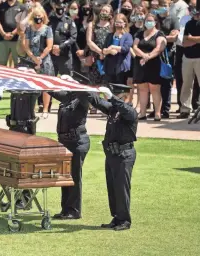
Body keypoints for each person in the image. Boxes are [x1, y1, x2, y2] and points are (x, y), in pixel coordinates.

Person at [87, 84, 138, 231]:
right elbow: (97, 101)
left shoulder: (130, 111)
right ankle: (117, 217)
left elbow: (123, 108)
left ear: (126, 96)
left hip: (124, 154)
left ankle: (124, 221)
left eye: (118, 96)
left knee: (122, 188)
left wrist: (112, 97)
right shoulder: (113, 110)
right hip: (112, 154)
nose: (112, 100)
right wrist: (81, 88)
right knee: (113, 188)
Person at [50, 75, 91, 220]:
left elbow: (86, 94)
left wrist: (76, 85)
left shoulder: (82, 99)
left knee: (73, 176)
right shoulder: (67, 96)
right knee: (65, 176)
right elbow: (51, 90)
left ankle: (74, 210)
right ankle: (65, 209)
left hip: (78, 142)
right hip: (66, 142)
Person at [6, 67, 40, 209]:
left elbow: (37, 89)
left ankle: (26, 198)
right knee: (14, 164)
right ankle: (16, 197)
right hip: (14, 129)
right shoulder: (15, 91)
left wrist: (31, 76)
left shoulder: (31, 91)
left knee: (24, 165)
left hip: (25, 130)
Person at [132, 13, 167, 121]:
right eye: (147, 20)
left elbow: (158, 48)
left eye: (151, 20)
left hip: (154, 64)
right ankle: (142, 113)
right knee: (142, 89)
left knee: (154, 88)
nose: (149, 22)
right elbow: (135, 46)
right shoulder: (140, 33)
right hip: (140, 64)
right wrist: (143, 56)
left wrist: (148, 57)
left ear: (156, 22)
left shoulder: (159, 34)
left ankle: (157, 113)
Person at [25, 5, 55, 118]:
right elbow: (26, 46)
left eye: (40, 16)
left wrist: (40, 58)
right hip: (31, 61)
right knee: (31, 86)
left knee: (45, 85)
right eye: (36, 16)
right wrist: (33, 58)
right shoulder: (29, 29)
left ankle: (46, 109)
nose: (38, 18)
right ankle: (31, 110)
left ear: (44, 16)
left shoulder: (48, 29)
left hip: (45, 61)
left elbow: (49, 46)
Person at [177, 5, 200, 119]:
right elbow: (184, 42)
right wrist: (195, 40)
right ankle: (185, 109)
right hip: (187, 57)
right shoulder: (189, 24)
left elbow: (188, 39)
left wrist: (191, 38)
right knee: (186, 84)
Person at [48, 0, 78, 76]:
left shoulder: (69, 21)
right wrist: (52, 48)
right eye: (58, 6)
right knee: (50, 80)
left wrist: (60, 47)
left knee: (66, 79)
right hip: (51, 55)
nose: (60, 8)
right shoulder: (49, 20)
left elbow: (73, 38)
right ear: (54, 7)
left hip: (65, 56)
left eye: (62, 6)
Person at [102, 13, 133, 85]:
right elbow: (103, 49)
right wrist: (109, 51)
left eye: (120, 22)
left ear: (125, 23)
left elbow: (125, 48)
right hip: (109, 66)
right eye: (117, 22)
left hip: (121, 67)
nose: (118, 24)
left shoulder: (128, 36)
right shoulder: (110, 35)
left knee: (120, 89)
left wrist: (113, 47)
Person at [0, 0, 25, 66]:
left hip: (17, 40)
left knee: (18, 65)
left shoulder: (22, 6)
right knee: (1, 65)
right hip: (2, 39)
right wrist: (3, 34)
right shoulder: (1, 6)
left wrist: (12, 33)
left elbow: (22, 24)